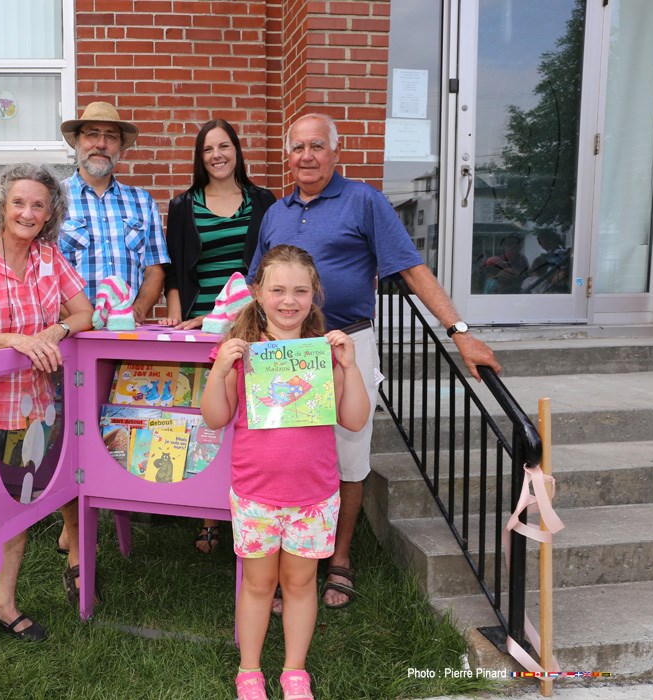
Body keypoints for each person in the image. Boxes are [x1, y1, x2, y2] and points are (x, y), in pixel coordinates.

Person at [249, 113, 501, 610]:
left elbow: (410, 267)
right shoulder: (275, 212)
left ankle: (338, 558)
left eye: (316, 146)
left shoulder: (364, 200)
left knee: (348, 458)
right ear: (287, 154)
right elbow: (256, 283)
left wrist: (460, 332)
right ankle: (286, 561)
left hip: (346, 346)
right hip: (286, 353)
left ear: (334, 151)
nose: (306, 156)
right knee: (288, 459)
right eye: (297, 147)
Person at [0, 164, 94, 670]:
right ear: (2, 205)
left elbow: (83, 313)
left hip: (30, 409)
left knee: (19, 508)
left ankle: (7, 603)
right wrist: (16, 340)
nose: (28, 213)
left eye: (39, 206)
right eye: (19, 202)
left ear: (50, 215)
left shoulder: (51, 259)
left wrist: (55, 335)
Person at [200, 244, 370, 700]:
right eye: (277, 289)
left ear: (315, 294)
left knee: (300, 584)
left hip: (313, 496)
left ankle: (295, 672)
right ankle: (249, 671)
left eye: (300, 290)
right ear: (257, 293)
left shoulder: (325, 354)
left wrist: (350, 368)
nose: (288, 300)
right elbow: (215, 418)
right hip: (256, 494)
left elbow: (354, 419)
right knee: (258, 585)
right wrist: (218, 371)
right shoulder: (242, 355)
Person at [54, 101, 170, 594]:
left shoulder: (141, 202)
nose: (99, 143)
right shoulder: (51, 199)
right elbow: (38, 271)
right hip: (71, 343)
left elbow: (156, 268)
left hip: (125, 341)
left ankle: (106, 513)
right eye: (90, 134)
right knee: (69, 438)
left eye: (109, 136)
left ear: (121, 147)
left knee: (119, 428)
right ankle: (79, 546)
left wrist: (138, 312)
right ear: (76, 142)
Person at [160, 117, 276, 554]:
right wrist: (177, 315)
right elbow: (173, 268)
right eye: (208, 149)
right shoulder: (184, 205)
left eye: (224, 146)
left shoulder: (264, 201)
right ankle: (208, 515)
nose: (217, 155)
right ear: (200, 157)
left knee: (249, 418)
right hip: (202, 325)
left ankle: (252, 506)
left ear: (237, 151)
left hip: (254, 326)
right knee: (206, 415)